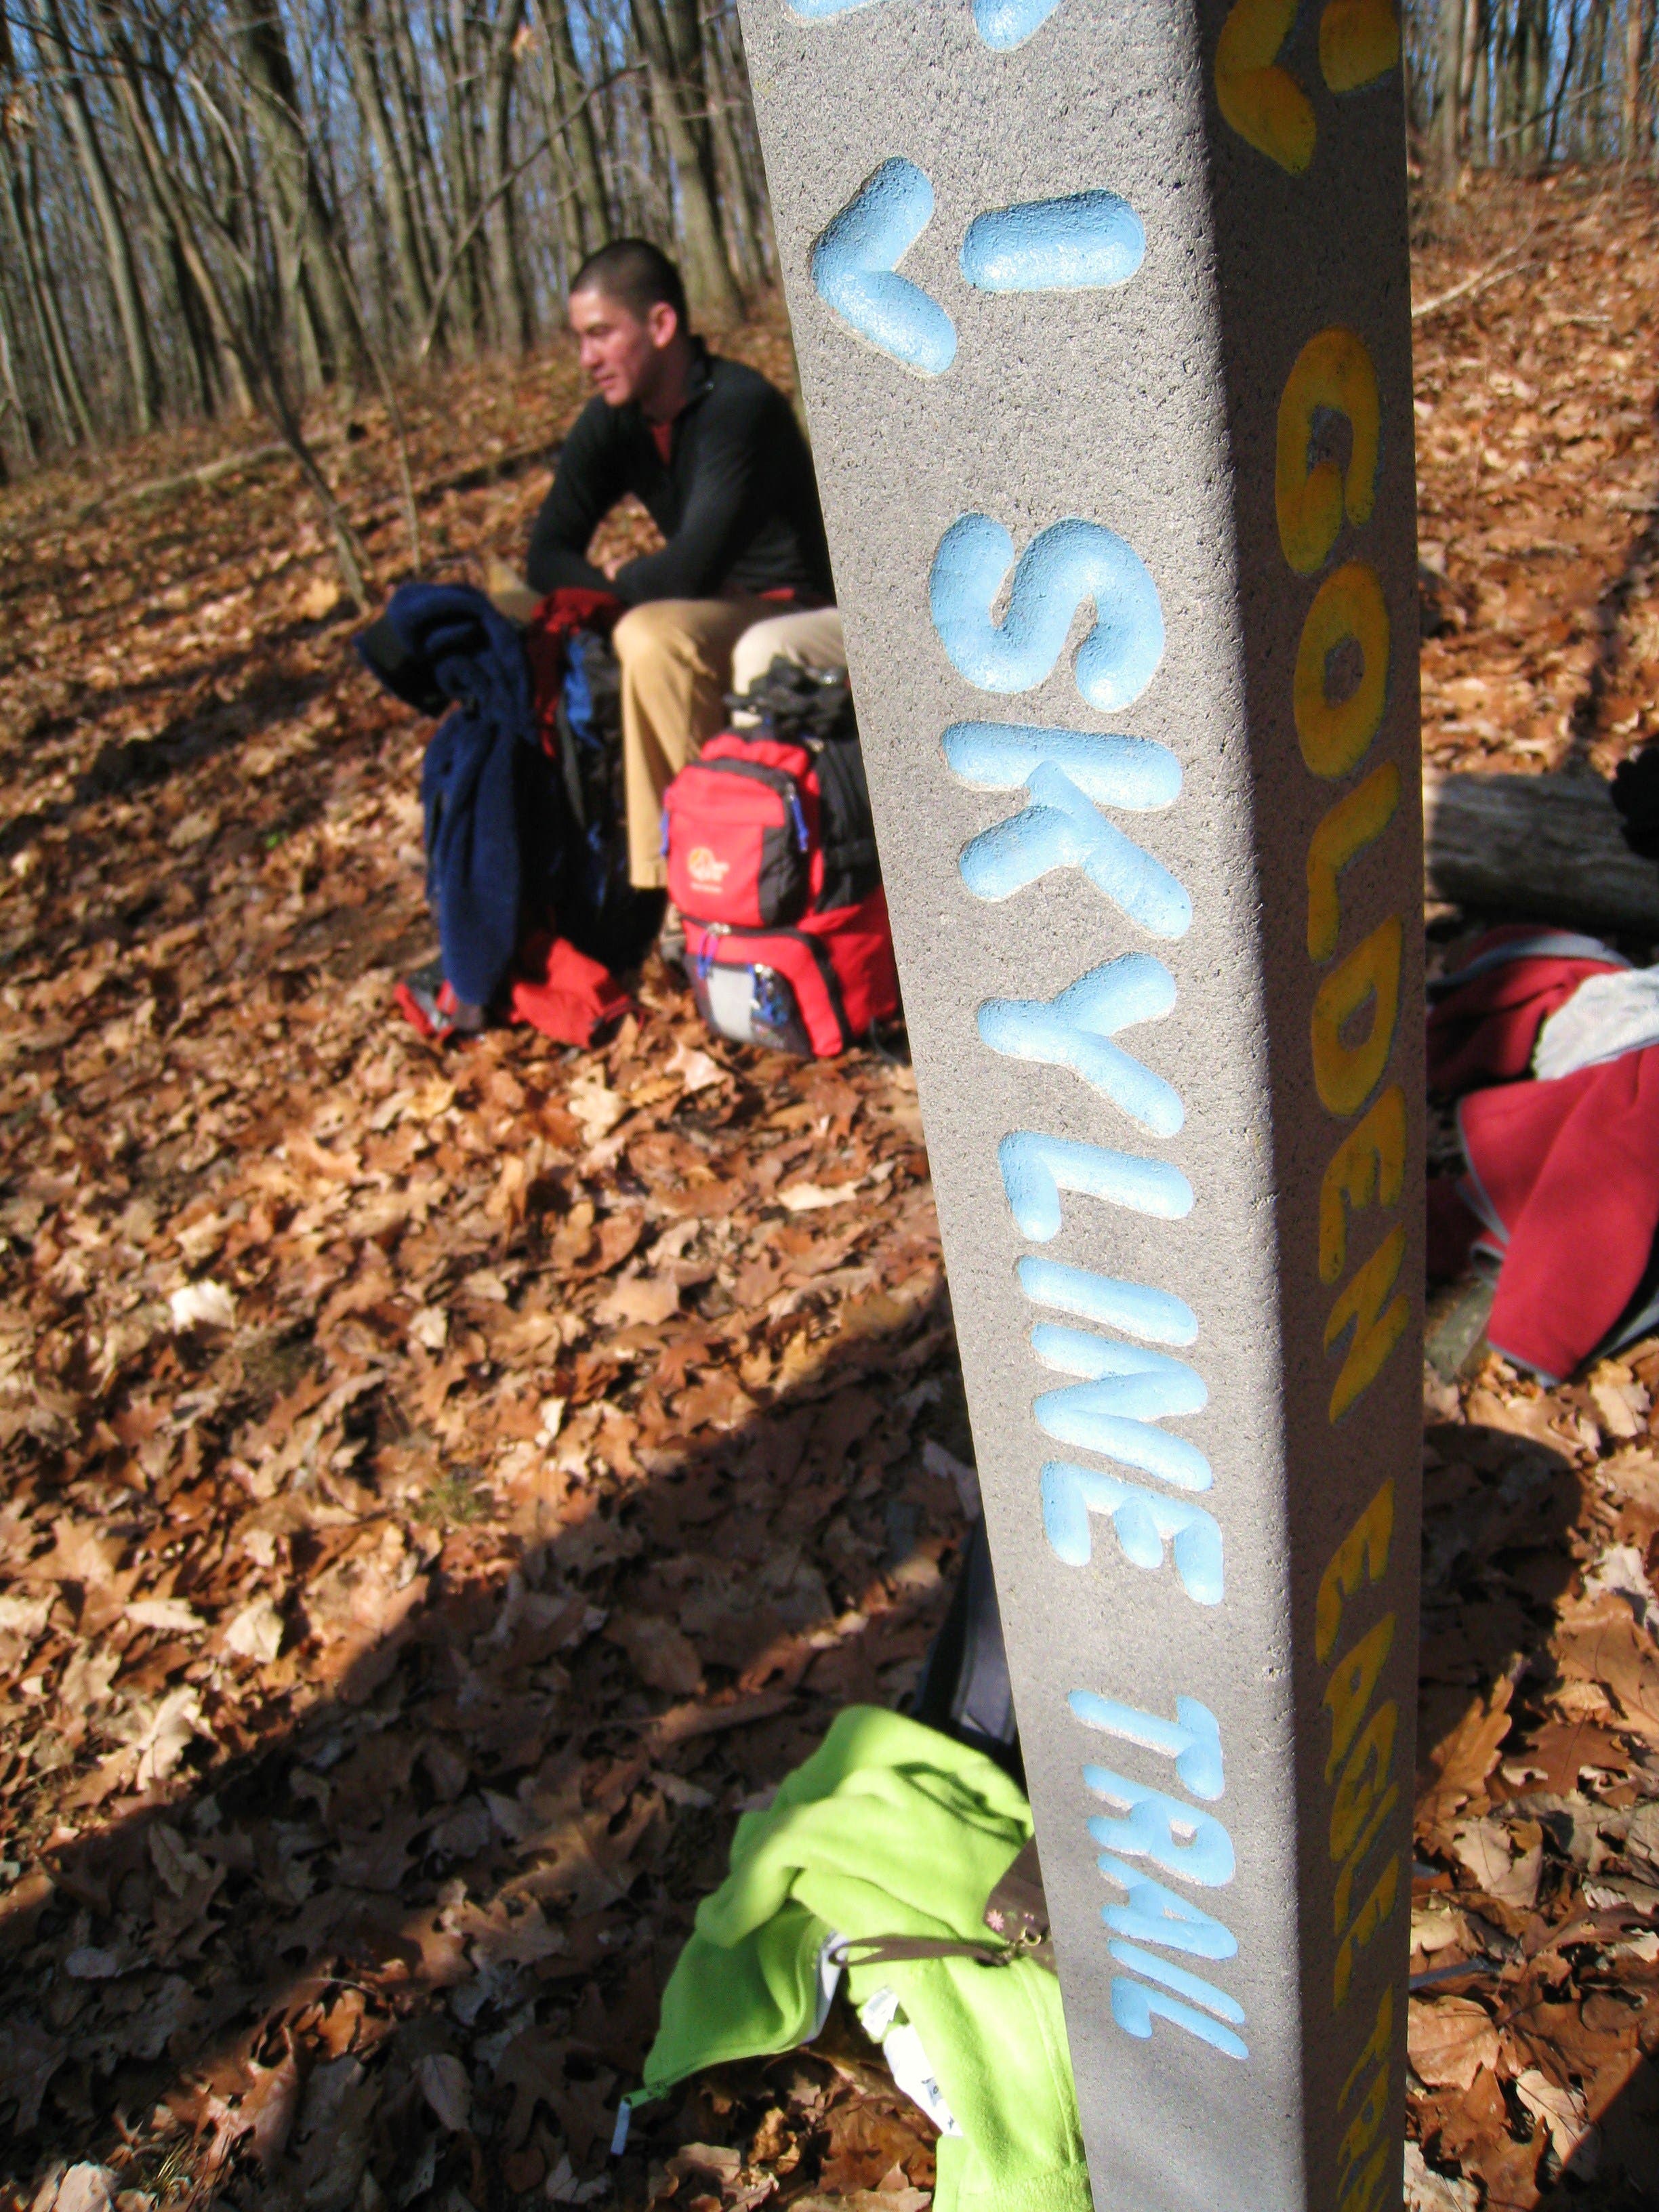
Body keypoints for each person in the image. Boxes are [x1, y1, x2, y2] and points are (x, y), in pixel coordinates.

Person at [527, 239, 846, 891]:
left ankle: (715, 877)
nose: (586, 359)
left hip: (809, 609)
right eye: (580, 339)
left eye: (601, 334)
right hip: (722, 609)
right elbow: (546, 554)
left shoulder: (739, 407)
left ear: (661, 324)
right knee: (644, 633)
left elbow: (686, 573)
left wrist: (616, 588)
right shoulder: (615, 422)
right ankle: (678, 886)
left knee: (656, 634)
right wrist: (614, 593)